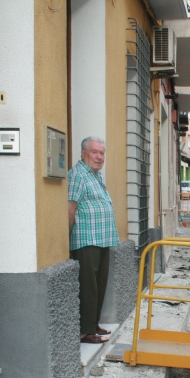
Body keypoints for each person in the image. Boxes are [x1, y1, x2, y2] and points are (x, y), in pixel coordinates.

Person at [68, 137, 120, 343]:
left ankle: (93, 324)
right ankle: (86, 331)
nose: (99, 157)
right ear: (83, 154)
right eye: (94, 152)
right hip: (86, 239)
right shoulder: (78, 175)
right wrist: (67, 238)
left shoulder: (95, 176)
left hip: (102, 239)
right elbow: (70, 210)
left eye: (102, 153)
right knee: (88, 286)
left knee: (99, 285)